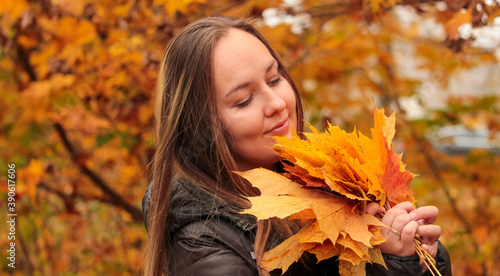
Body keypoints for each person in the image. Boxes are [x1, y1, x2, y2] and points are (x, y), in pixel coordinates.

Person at [142, 16, 452, 276]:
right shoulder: (203, 244)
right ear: (201, 128)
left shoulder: (328, 181)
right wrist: (396, 268)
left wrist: (420, 259)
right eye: (244, 100)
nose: (277, 103)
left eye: (274, 79)